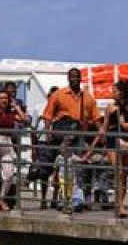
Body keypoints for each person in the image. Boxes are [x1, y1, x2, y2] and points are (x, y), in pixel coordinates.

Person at [42, 67, 100, 211]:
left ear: (81, 78)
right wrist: (48, 131)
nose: (74, 79)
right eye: (72, 76)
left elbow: (96, 117)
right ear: (68, 78)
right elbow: (48, 114)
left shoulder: (87, 97)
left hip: (80, 136)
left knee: (78, 170)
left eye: (77, 76)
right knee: (63, 169)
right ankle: (63, 199)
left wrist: (101, 133)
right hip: (63, 136)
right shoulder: (59, 94)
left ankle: (76, 200)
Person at [87, 79, 128, 219]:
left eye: (114, 91)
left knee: (124, 174)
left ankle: (120, 203)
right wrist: (91, 149)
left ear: (122, 93)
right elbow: (104, 128)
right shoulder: (110, 108)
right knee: (118, 171)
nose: (112, 94)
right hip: (112, 142)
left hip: (127, 142)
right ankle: (120, 206)